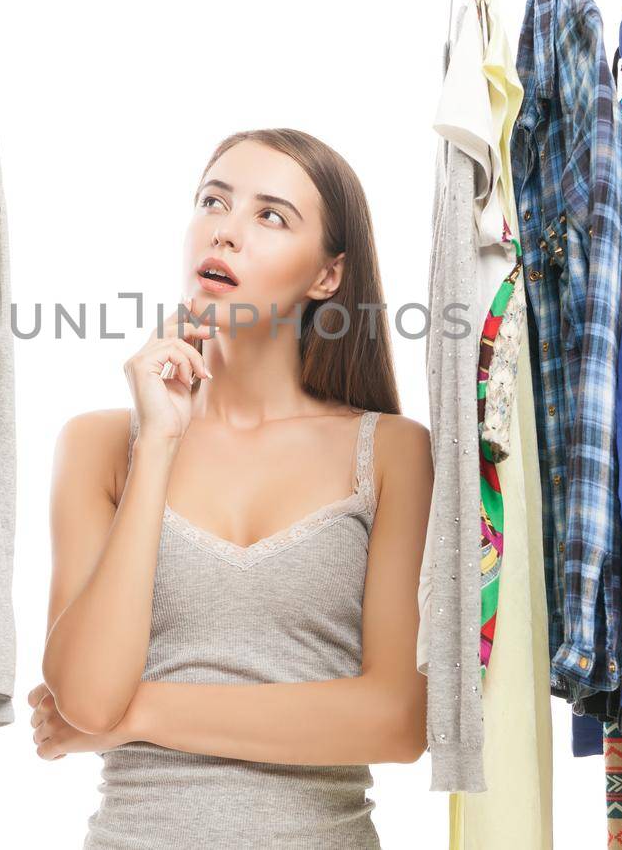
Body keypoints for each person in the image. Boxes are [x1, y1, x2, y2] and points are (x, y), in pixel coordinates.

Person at [30, 127, 434, 848]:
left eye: (270, 215)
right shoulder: (100, 446)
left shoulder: (393, 453)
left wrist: (139, 712)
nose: (226, 229)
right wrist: (157, 441)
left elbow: (397, 720)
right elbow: (87, 695)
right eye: (213, 201)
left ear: (328, 276)